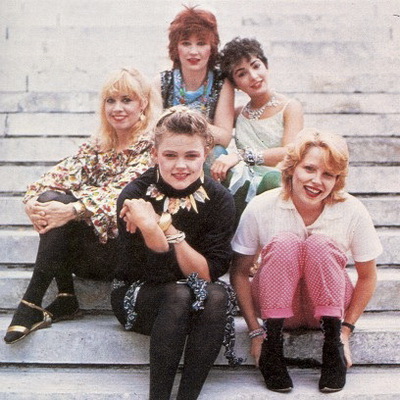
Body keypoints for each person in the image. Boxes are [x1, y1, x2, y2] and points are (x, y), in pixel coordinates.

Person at [4, 67, 162, 344]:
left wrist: (75, 208)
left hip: (125, 256)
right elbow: (55, 178)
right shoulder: (98, 146)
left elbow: (122, 195)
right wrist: (32, 203)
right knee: (50, 199)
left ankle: (31, 302)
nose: (117, 108)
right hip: (90, 254)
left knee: (64, 206)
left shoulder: (154, 148)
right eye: (110, 101)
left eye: (126, 100)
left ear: (143, 104)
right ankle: (65, 296)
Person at [230, 128, 382, 393]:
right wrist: (255, 332)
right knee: (285, 243)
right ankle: (272, 347)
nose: (316, 181)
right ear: (292, 168)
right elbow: (240, 273)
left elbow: (368, 276)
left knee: (319, 244)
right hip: (275, 306)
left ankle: (332, 346)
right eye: (309, 169)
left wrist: (346, 331)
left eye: (328, 174)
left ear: (337, 179)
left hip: (326, 309)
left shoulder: (352, 210)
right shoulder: (262, 206)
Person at [111, 107, 237, 400]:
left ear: (206, 154)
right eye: (170, 155)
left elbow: (206, 275)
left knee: (216, 296)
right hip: (140, 294)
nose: (181, 165)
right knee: (178, 294)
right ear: (155, 154)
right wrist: (149, 229)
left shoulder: (220, 200)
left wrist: (164, 228)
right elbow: (150, 272)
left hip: (197, 298)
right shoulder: (134, 196)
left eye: (191, 155)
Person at [211, 37, 303, 219]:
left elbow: (290, 152)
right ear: (235, 85)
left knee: (271, 180)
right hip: (242, 184)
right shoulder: (238, 114)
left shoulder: (290, 107)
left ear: (266, 66)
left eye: (256, 66)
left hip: (275, 184)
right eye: (242, 74)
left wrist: (242, 156)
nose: (253, 76)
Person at [156, 5, 234, 154]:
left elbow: (224, 137)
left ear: (211, 48)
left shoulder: (221, 83)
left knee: (219, 152)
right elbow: (153, 130)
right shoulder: (161, 82)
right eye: (186, 43)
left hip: (204, 153)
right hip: (169, 153)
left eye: (201, 43)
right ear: (176, 48)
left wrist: (183, 120)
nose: (193, 52)